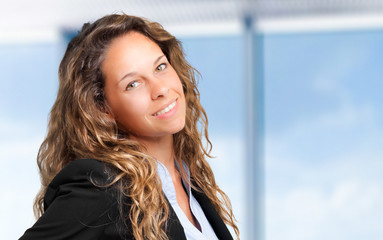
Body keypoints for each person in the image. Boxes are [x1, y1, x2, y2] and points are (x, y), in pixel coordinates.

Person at [19, 14, 239, 240]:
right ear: (102, 108)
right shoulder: (102, 186)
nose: (160, 89)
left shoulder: (189, 180)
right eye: (133, 84)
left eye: (160, 67)